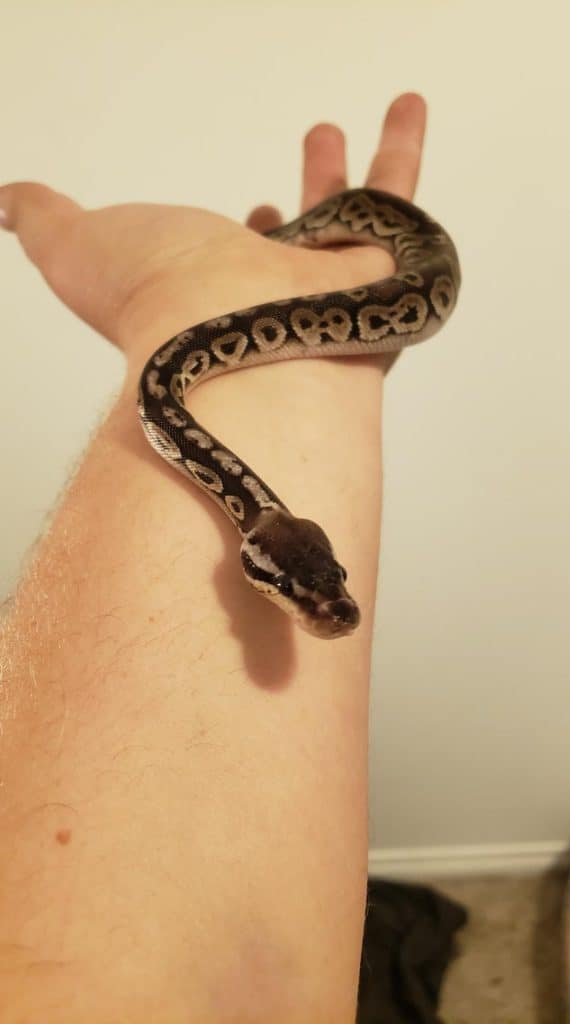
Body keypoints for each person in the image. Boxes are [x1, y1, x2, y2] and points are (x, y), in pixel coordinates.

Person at [0, 93, 427, 1022]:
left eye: (327, 589)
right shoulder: (174, 416)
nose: (330, 613)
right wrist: (186, 291)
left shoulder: (208, 440)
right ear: (257, 562)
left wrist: (197, 291)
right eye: (311, 594)